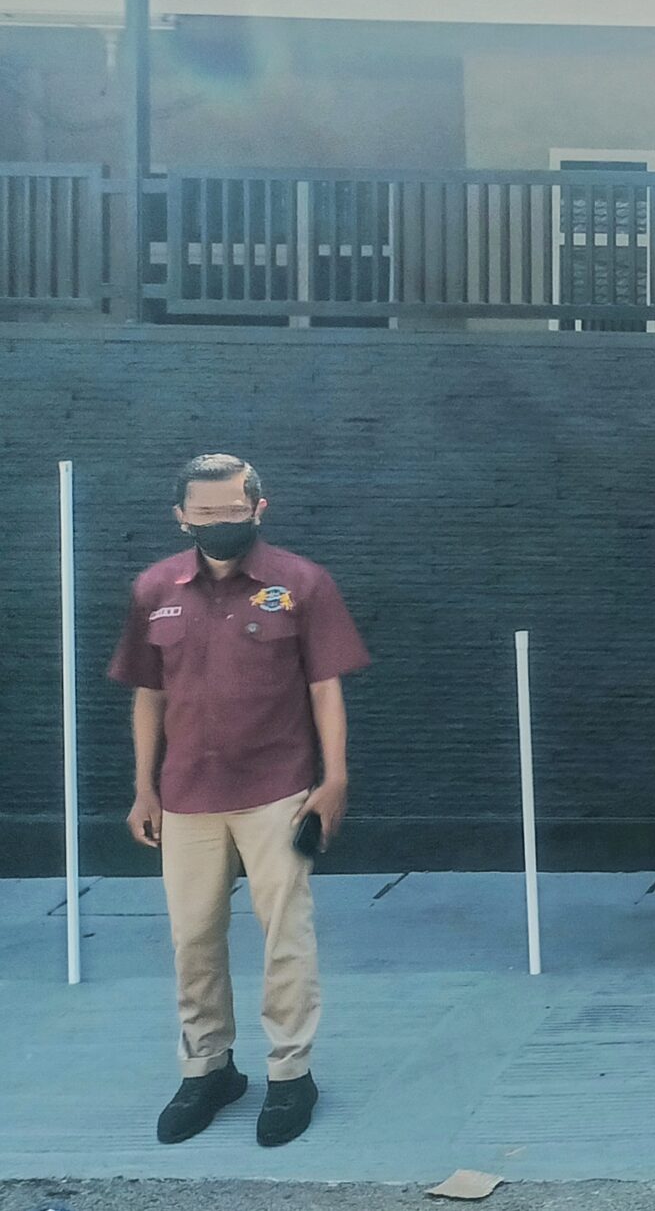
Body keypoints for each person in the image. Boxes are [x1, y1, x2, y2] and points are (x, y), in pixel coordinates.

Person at [110, 453, 369, 1148]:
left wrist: (335, 779)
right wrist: (143, 787)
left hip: (276, 791)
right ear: (181, 516)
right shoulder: (154, 589)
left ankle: (291, 1075)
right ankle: (208, 1069)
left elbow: (324, 689)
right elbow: (148, 695)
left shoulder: (302, 584)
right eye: (205, 511)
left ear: (259, 507)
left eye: (232, 509)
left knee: (286, 937)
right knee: (193, 938)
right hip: (186, 795)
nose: (219, 521)